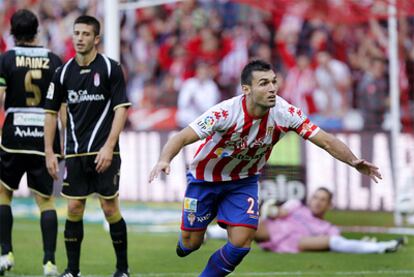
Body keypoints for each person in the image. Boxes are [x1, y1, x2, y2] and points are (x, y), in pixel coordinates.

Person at [149, 59, 382, 277]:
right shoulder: (225, 112)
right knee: (191, 244)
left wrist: (353, 161)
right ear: (246, 89)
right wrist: (164, 159)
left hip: (244, 180)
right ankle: (187, 240)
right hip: (205, 179)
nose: (272, 88)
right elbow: (181, 137)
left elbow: (326, 140)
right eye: (263, 83)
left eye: (274, 82)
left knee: (241, 244)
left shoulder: (286, 113)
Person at [44, 15, 131, 277]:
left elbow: (121, 109)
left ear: (96, 39)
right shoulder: (62, 73)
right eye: (76, 33)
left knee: (110, 208)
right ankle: (72, 271)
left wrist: (109, 146)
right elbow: (50, 113)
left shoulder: (110, 68)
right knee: (73, 207)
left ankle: (122, 269)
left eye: (85, 34)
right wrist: (50, 151)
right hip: (75, 153)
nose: (79, 38)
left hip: (105, 152)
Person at [0, 9, 63, 276]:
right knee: (46, 201)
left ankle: (5, 253)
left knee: (3, 195)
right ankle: (49, 262)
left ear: (12, 32)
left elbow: (1, 95)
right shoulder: (53, 59)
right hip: (45, 135)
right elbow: (63, 105)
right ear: (37, 30)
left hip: (15, 133)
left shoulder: (6, 59)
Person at [207, 188, 405, 254]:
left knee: (333, 242)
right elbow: (277, 212)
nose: (317, 202)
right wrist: (270, 210)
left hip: (296, 243)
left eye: (323, 200)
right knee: (251, 224)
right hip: (271, 232)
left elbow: (337, 241)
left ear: (329, 205)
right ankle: (210, 231)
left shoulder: (327, 227)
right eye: (316, 198)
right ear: (310, 198)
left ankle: (378, 247)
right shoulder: (295, 205)